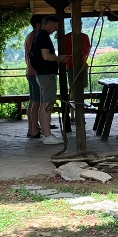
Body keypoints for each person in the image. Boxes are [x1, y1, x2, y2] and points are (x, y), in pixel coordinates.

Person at [30, 15, 69, 145]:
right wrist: (60, 59)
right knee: (47, 105)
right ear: (50, 25)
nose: (56, 29)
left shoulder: (39, 35)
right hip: (47, 74)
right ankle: (47, 135)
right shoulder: (43, 36)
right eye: (56, 26)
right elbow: (46, 56)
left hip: (41, 74)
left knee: (43, 104)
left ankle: (45, 133)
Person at [64, 29, 91, 120]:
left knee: (74, 91)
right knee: (77, 91)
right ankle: (76, 115)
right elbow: (87, 51)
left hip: (74, 65)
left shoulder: (67, 37)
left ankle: (75, 115)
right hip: (78, 65)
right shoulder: (84, 37)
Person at [24, 14, 42, 138]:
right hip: (35, 72)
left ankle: (31, 128)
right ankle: (34, 129)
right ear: (38, 25)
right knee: (37, 102)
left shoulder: (29, 36)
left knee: (32, 101)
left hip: (29, 71)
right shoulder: (35, 37)